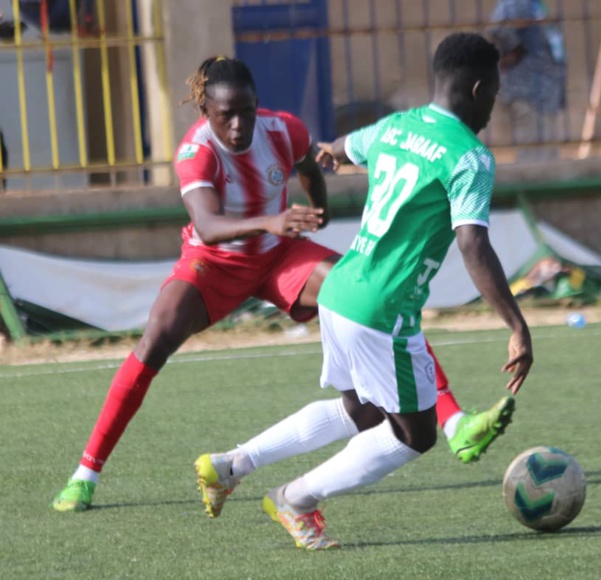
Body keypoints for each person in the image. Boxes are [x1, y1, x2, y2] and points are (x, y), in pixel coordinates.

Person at [51, 55, 515, 513]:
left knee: (376, 291)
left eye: (246, 112)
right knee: (155, 338)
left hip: (278, 257)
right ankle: (85, 475)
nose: (238, 125)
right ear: (204, 113)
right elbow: (209, 226)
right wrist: (270, 220)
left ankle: (454, 421)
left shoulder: (282, 129)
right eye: (225, 115)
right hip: (214, 262)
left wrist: (321, 209)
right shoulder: (196, 152)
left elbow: (310, 163)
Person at [199, 32, 532, 550]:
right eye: (492, 92)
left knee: (362, 413)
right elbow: (473, 244)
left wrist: (328, 152)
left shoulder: (397, 126)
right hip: (382, 309)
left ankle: (232, 463)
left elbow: (340, 149)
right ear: (477, 87)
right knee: (416, 435)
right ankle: (297, 497)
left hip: (339, 291)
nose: (493, 102)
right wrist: (516, 323)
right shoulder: (470, 159)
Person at [488, 0, 566, 161]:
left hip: (543, 92)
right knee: (534, 160)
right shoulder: (518, 3)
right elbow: (497, 30)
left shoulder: (534, 4)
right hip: (529, 91)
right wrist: (515, 51)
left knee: (547, 156)